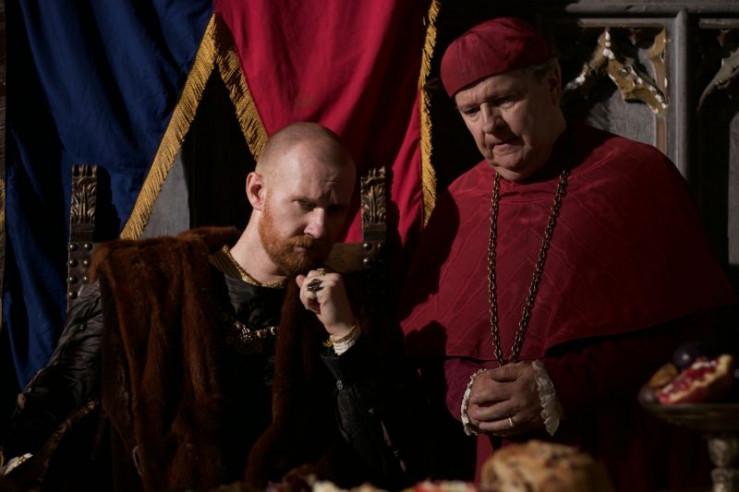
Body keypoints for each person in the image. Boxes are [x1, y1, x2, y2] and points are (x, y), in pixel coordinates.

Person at [400, 17, 738, 491]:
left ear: (552, 84)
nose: (490, 126)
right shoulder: (460, 202)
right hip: (501, 466)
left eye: (505, 100)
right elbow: (428, 347)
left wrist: (564, 383)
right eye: (471, 111)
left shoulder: (635, 176)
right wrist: (465, 391)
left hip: (618, 452)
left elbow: (692, 334)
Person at [0, 122, 428, 491]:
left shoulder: (354, 312)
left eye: (335, 210)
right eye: (305, 204)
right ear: (257, 191)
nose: (319, 228)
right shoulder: (142, 284)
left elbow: (390, 462)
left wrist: (344, 338)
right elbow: (46, 414)